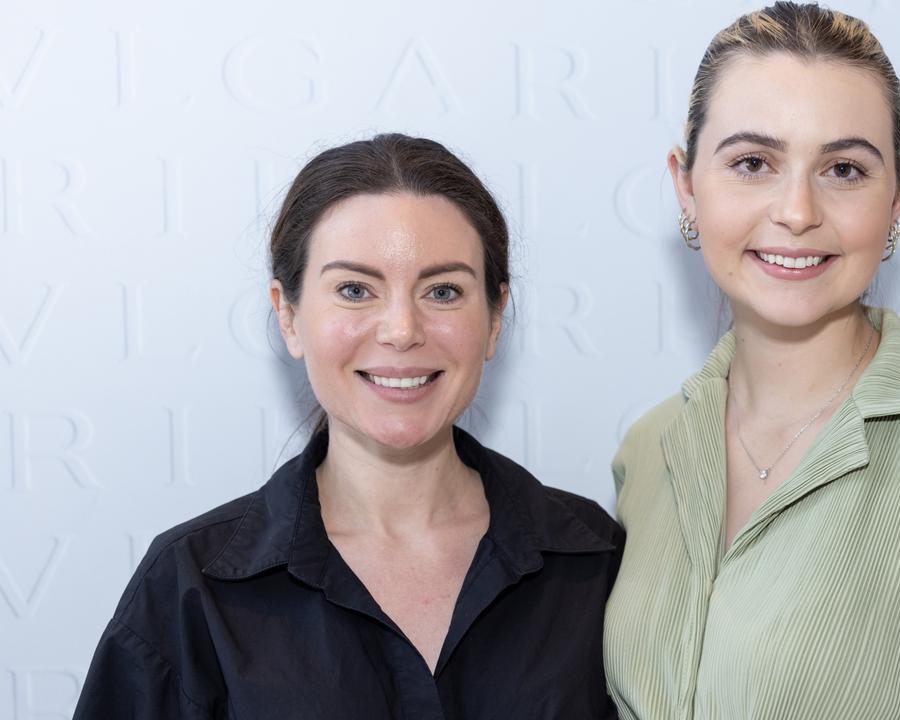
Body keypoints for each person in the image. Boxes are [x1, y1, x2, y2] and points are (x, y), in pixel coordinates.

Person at [603, 4, 900, 719]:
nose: (797, 210)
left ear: (899, 197)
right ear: (686, 185)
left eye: (845, 169)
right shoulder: (651, 448)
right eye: (753, 163)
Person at [74, 134, 623, 719]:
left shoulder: (596, 564)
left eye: (443, 291)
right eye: (355, 290)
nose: (401, 329)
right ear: (288, 316)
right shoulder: (189, 588)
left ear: (494, 319)